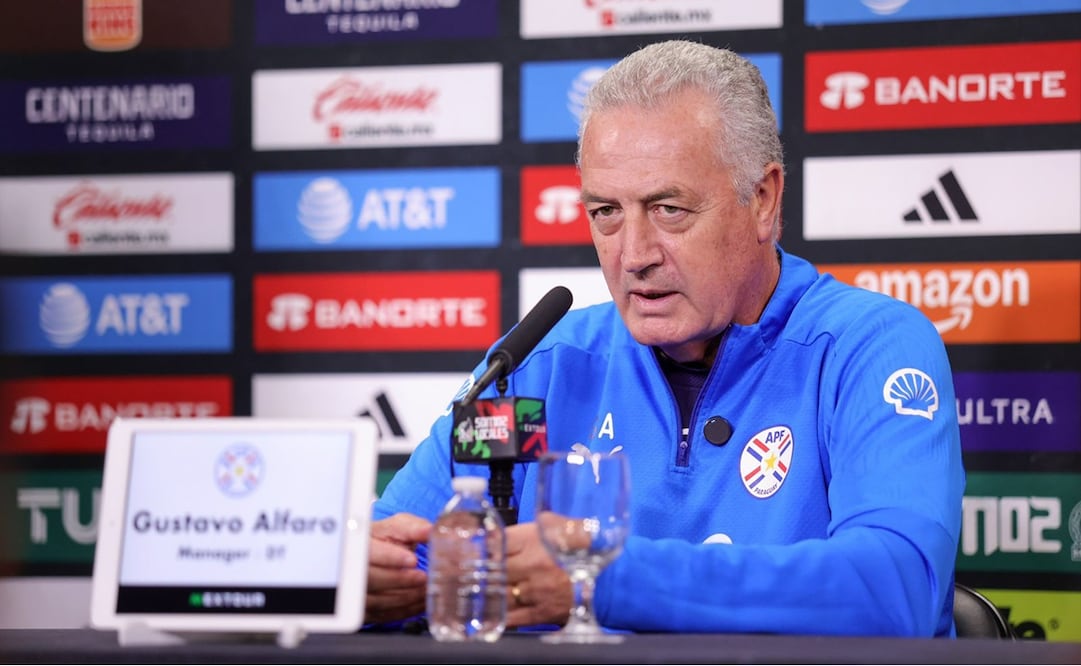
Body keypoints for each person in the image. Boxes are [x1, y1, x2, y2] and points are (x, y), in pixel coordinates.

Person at [365, 39, 965, 637]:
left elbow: (896, 589)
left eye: (669, 209)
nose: (634, 256)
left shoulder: (869, 346)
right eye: (606, 212)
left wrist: (602, 578)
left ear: (762, 199)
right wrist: (360, 577)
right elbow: (401, 545)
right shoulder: (540, 365)